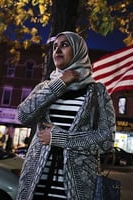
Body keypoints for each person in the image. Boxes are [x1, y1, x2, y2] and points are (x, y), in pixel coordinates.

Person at [16, 31, 116, 200]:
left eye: (64, 45)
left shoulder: (97, 92)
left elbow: (106, 139)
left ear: (78, 51)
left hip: (77, 187)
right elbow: (24, 116)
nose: (57, 50)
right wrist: (60, 83)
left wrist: (61, 138)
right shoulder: (45, 87)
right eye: (55, 46)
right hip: (36, 182)